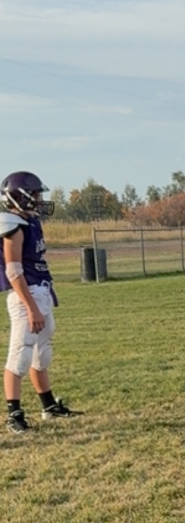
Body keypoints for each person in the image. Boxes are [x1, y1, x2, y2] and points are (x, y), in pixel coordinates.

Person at [1, 171, 71, 433]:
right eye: (36, 195)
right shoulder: (12, 225)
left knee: (42, 353)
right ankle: (14, 414)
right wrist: (31, 308)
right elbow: (13, 271)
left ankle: (48, 406)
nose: (40, 200)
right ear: (21, 197)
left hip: (39, 291)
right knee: (19, 356)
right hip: (25, 297)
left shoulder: (30, 222)